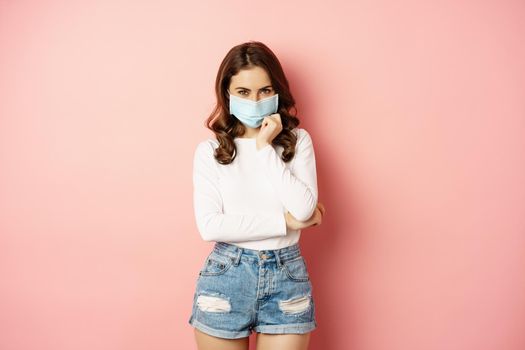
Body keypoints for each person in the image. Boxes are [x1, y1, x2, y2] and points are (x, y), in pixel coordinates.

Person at [188, 41, 326, 350]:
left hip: (286, 276)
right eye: (243, 92)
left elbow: (304, 210)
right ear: (227, 93)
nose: (255, 100)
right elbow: (211, 226)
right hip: (226, 277)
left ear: (277, 92)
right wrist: (285, 223)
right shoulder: (210, 152)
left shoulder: (297, 142)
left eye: (264, 91)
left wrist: (265, 148)